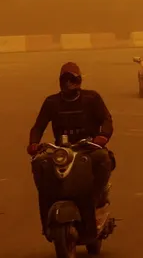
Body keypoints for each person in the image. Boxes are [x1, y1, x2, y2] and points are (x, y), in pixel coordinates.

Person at [27, 62, 114, 242]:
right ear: (60, 82)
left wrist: (102, 137)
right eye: (65, 80)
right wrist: (34, 144)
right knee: (38, 163)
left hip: (89, 148)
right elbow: (38, 127)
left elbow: (106, 120)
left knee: (103, 158)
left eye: (72, 79)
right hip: (61, 151)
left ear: (80, 80)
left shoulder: (92, 98)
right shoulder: (51, 102)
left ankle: (96, 198)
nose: (69, 84)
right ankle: (47, 220)